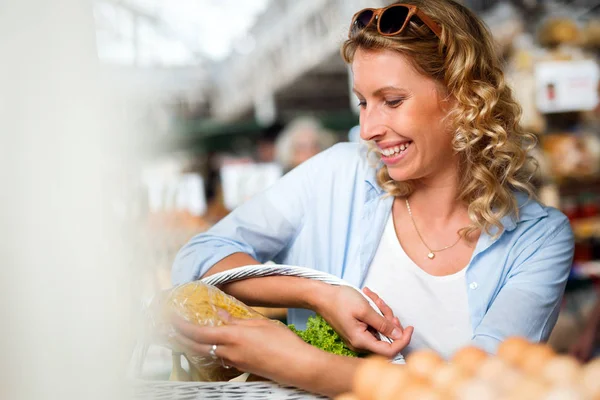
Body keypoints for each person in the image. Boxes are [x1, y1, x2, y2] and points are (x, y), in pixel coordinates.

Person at [170, 0, 575, 396]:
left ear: (464, 97)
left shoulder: (538, 239)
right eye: (363, 102)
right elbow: (199, 255)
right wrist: (317, 293)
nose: (367, 129)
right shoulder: (339, 172)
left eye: (392, 101)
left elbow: (478, 388)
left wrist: (300, 364)